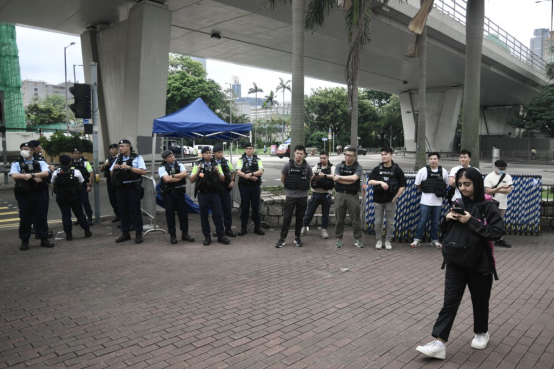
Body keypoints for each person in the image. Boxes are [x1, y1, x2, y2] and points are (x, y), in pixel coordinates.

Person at [415, 167, 505, 360]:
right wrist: (447, 219)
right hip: (456, 261)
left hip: (480, 263)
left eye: (467, 184)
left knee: (480, 302)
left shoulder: (488, 206)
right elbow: (445, 231)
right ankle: (439, 342)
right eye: (461, 184)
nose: (463, 188)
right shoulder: (457, 202)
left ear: (477, 184)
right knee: (450, 302)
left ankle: (482, 332)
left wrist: (471, 221)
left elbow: (497, 232)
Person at [10, 142, 54, 250]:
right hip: (24, 194)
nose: (23, 151)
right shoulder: (17, 163)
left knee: (41, 216)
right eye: (22, 149)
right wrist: (30, 176)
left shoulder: (40, 162)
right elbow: (14, 175)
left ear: (32, 151)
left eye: (26, 148)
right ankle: (24, 240)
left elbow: (46, 173)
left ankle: (44, 238)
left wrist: (32, 174)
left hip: (39, 193)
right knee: (25, 218)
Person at [190, 147, 230, 246]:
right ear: (202, 154)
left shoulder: (216, 164)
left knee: (218, 214)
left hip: (214, 193)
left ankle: (221, 235)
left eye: (210, 153)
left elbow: (223, 179)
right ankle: (207, 236)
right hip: (203, 194)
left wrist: (217, 171)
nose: (209, 154)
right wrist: (198, 170)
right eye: (206, 153)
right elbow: (191, 179)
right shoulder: (198, 164)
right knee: (204, 216)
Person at [368, 147, 406, 250]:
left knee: (390, 222)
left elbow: (402, 185)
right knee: (378, 222)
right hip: (378, 200)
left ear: (391, 155)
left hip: (391, 201)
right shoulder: (377, 169)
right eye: (382, 155)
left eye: (386, 154)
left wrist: (396, 197)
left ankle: (388, 240)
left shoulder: (397, 170)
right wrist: (380, 182)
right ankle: (379, 240)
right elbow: (370, 181)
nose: (383, 156)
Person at [276, 145, 313, 248]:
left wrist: (302, 185)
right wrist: (290, 187)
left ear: (304, 155)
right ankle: (282, 239)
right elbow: (283, 178)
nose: (299, 155)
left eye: (301, 154)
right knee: (287, 217)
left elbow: (310, 178)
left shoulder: (307, 166)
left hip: (302, 196)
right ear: (294, 153)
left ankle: (297, 237)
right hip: (290, 196)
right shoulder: (288, 165)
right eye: (297, 153)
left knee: (300, 218)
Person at [110, 139, 147, 244]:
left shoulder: (137, 158)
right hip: (121, 188)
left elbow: (143, 171)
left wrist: (129, 167)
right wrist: (115, 168)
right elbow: (111, 174)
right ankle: (125, 233)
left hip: (133, 188)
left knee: (135, 211)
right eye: (119, 146)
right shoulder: (118, 159)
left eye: (122, 146)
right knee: (123, 211)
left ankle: (138, 233)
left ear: (129, 147)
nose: (120, 148)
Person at [411, 152, 449, 249]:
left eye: (435, 159)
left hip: (438, 203)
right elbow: (418, 184)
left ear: (438, 160)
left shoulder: (443, 171)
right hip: (425, 202)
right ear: (429, 160)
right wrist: (425, 190)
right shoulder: (422, 171)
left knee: (435, 222)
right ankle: (417, 239)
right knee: (422, 221)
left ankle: (434, 240)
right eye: (431, 159)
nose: (433, 161)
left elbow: (446, 184)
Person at [52, 154, 92, 241]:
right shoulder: (76, 171)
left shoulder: (57, 171)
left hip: (61, 196)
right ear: (70, 162)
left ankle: (68, 235)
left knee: (66, 215)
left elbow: (53, 183)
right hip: (74, 195)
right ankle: (87, 231)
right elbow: (81, 182)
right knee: (80, 214)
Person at [158, 150, 195, 244]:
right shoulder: (162, 167)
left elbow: (184, 174)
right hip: (168, 193)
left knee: (183, 213)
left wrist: (173, 176)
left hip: (179, 192)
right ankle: (173, 235)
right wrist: (178, 177)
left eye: (172, 155)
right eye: (169, 157)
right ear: (165, 159)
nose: (172, 157)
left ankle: (185, 234)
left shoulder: (179, 164)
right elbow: (166, 179)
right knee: (170, 214)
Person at [333, 147, 364, 248]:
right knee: (339, 219)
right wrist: (348, 180)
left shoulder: (358, 167)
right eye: (346, 155)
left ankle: (358, 239)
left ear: (354, 157)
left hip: (352, 195)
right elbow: (335, 179)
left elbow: (354, 178)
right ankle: (338, 238)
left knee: (355, 219)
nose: (347, 157)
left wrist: (341, 178)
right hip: (340, 194)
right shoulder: (339, 166)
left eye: (350, 155)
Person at [300, 151, 334, 240]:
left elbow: (335, 177)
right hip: (316, 193)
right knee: (309, 212)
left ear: (328, 158)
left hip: (327, 194)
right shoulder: (315, 168)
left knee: (325, 213)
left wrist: (324, 176)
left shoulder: (332, 168)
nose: (322, 160)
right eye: (321, 158)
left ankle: (324, 230)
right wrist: (314, 177)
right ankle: (304, 227)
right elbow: (309, 179)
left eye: (324, 158)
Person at [235, 142, 265, 236]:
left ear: (253, 149)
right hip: (244, 187)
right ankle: (243, 228)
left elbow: (261, 171)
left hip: (255, 186)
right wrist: (248, 176)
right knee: (245, 207)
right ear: (245, 149)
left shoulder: (258, 160)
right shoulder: (241, 160)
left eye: (250, 148)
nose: (248, 150)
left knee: (256, 207)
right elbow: (238, 172)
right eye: (247, 148)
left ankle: (257, 227)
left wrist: (251, 174)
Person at [28, 140, 54, 239]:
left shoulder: (39, 157)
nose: (41, 147)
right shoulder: (32, 159)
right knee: (40, 210)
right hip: (37, 187)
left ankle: (40, 230)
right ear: (34, 148)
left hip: (43, 185)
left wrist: (49, 167)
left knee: (41, 210)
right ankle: (40, 231)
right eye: (39, 146)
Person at [484, 159, 513, 248]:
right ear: (495, 167)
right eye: (500, 168)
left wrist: (495, 189)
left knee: (500, 221)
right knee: (488, 221)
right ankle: (486, 239)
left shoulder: (507, 177)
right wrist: (500, 188)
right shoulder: (489, 177)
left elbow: (508, 190)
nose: (502, 170)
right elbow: (488, 191)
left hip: (502, 203)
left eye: (504, 168)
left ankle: (499, 239)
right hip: (491, 203)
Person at [213, 145, 236, 237]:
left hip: (225, 188)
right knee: (216, 211)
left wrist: (232, 180)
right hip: (214, 189)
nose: (221, 154)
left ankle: (228, 229)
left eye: (221, 152)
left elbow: (233, 172)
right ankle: (219, 229)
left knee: (227, 209)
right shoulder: (211, 163)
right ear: (214, 153)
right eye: (219, 152)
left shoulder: (226, 162)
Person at [72, 148, 94, 226]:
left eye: (76, 153)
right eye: (74, 153)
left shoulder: (85, 163)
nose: (75, 154)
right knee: (76, 203)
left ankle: (90, 218)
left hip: (83, 185)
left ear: (80, 154)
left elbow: (91, 173)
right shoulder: (71, 163)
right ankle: (80, 218)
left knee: (85, 202)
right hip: (74, 186)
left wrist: (89, 185)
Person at [100, 143, 120, 222]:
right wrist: (104, 165)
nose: (111, 151)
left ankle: (122, 215)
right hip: (109, 180)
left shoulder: (119, 158)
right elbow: (101, 170)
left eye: (113, 149)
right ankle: (117, 215)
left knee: (119, 198)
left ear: (117, 150)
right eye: (110, 149)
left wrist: (111, 164)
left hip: (117, 180)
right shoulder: (109, 158)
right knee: (112, 199)